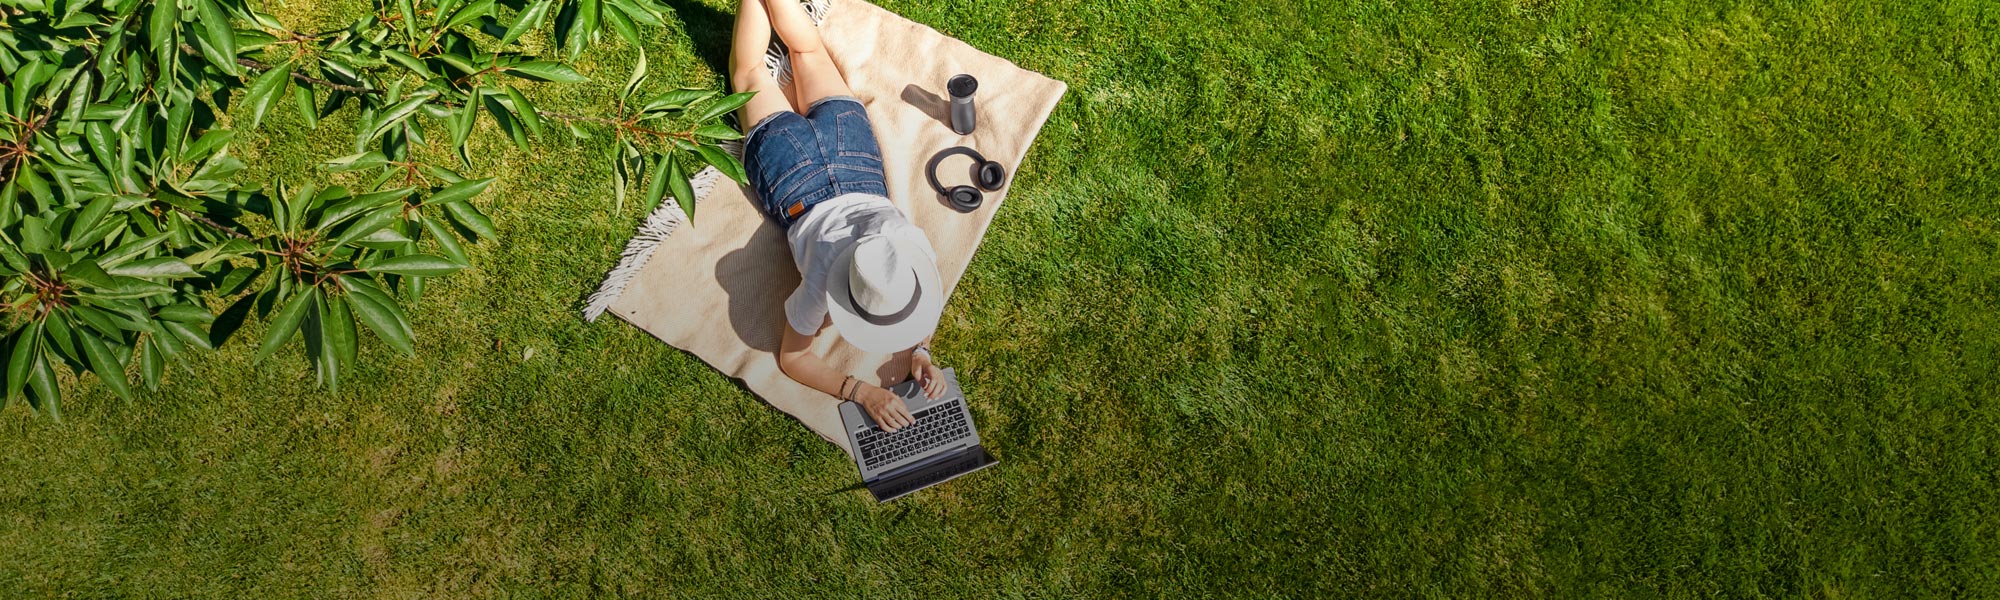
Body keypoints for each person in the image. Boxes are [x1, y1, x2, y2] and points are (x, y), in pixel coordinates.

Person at [730, 0, 945, 432]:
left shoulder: (912, 245)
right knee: (749, 72)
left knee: (807, 51)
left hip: (853, 158)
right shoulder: (822, 290)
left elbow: (913, 290)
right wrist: (861, 391)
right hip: (793, 181)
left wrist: (921, 351)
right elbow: (792, 359)